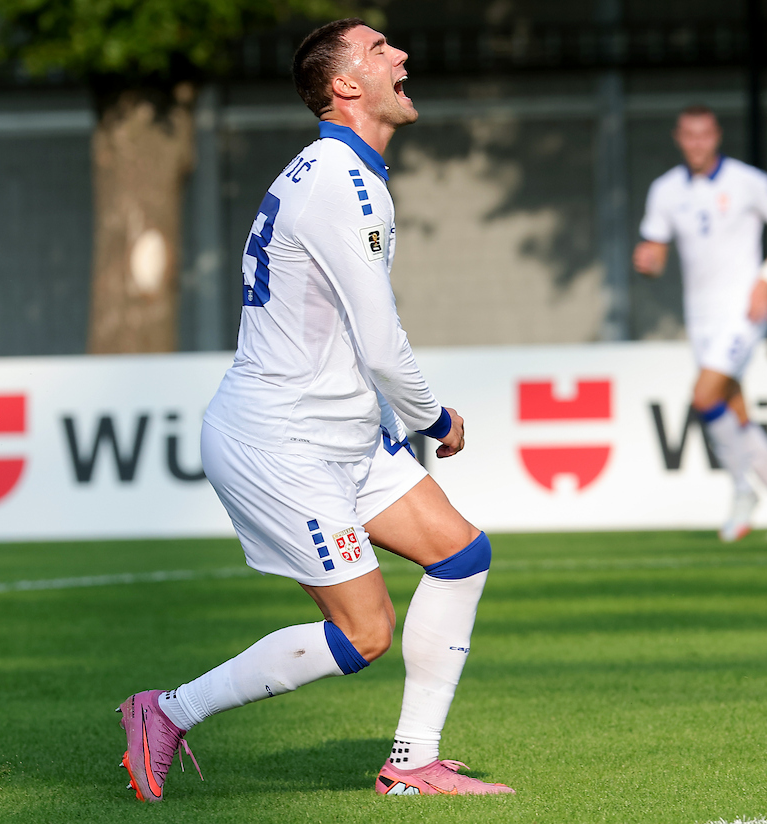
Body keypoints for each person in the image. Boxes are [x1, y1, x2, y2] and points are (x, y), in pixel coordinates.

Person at [116, 18, 513, 801]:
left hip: (340, 430)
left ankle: (411, 765)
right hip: (283, 441)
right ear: (345, 87)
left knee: (462, 556)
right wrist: (435, 419)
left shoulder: (334, 170)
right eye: (379, 51)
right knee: (365, 635)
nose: (401, 53)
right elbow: (380, 342)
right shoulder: (342, 181)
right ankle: (166, 711)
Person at [634, 105, 767, 543]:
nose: (697, 143)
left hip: (744, 310)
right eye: (689, 135)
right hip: (701, 315)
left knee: (704, 396)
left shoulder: (748, 181)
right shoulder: (666, 190)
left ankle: (744, 491)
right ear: (678, 138)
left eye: (704, 135)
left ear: (716, 136)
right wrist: (648, 262)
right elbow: (657, 250)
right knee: (733, 408)